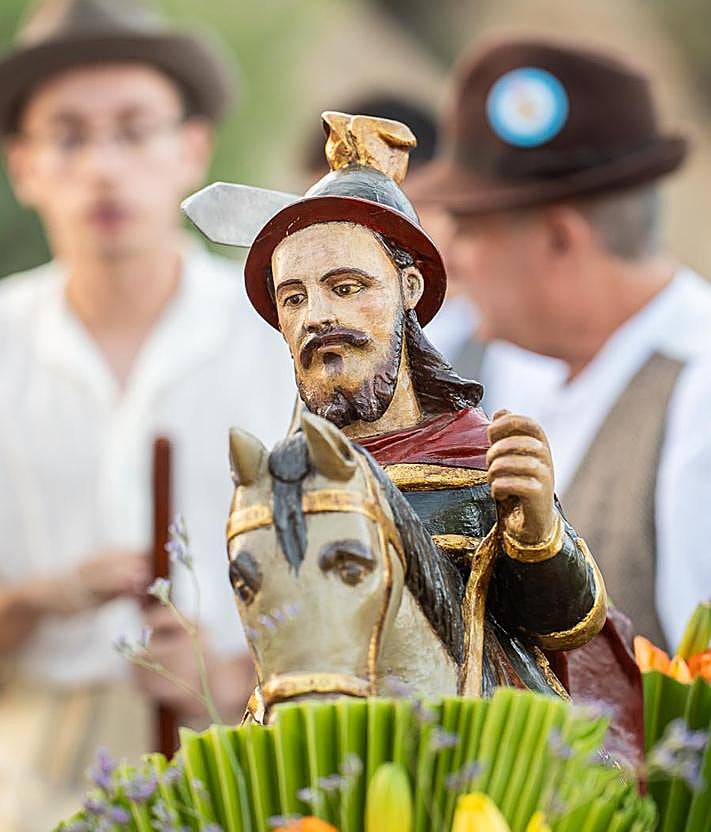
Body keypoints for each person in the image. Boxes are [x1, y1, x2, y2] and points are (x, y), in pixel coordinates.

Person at [188, 110, 607, 704]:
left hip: (485, 745)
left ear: (407, 290)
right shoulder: (283, 480)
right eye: (294, 298)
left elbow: (567, 624)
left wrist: (537, 528)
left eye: (346, 287)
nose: (316, 317)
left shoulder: (478, 456)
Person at [0, 1, 294, 827]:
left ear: (191, 149)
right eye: (67, 134)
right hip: (30, 773)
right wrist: (32, 603)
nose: (102, 166)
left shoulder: (277, 339)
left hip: (243, 760)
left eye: (134, 130)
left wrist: (230, 673)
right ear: (22, 165)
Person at [409, 38, 711, 652]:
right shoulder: (506, 367)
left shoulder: (698, 393)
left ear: (558, 237)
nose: (452, 256)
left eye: (470, 228)